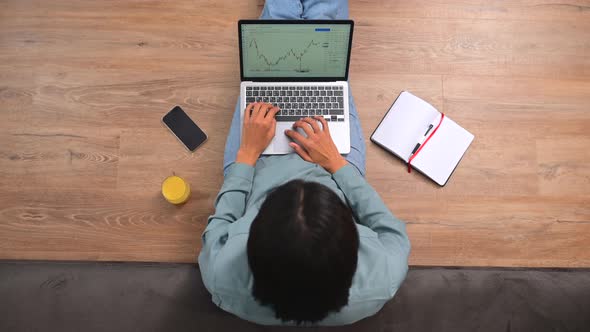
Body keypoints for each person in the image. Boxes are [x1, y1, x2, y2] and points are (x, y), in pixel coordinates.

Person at [198, 0, 410, 326]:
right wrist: (337, 164)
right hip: (334, 160)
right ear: (354, 248)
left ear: (251, 247)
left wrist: (247, 155)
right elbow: (393, 233)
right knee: (323, 50)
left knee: (273, 41)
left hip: (253, 163)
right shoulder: (380, 280)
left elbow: (221, 221)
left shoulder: (221, 277)